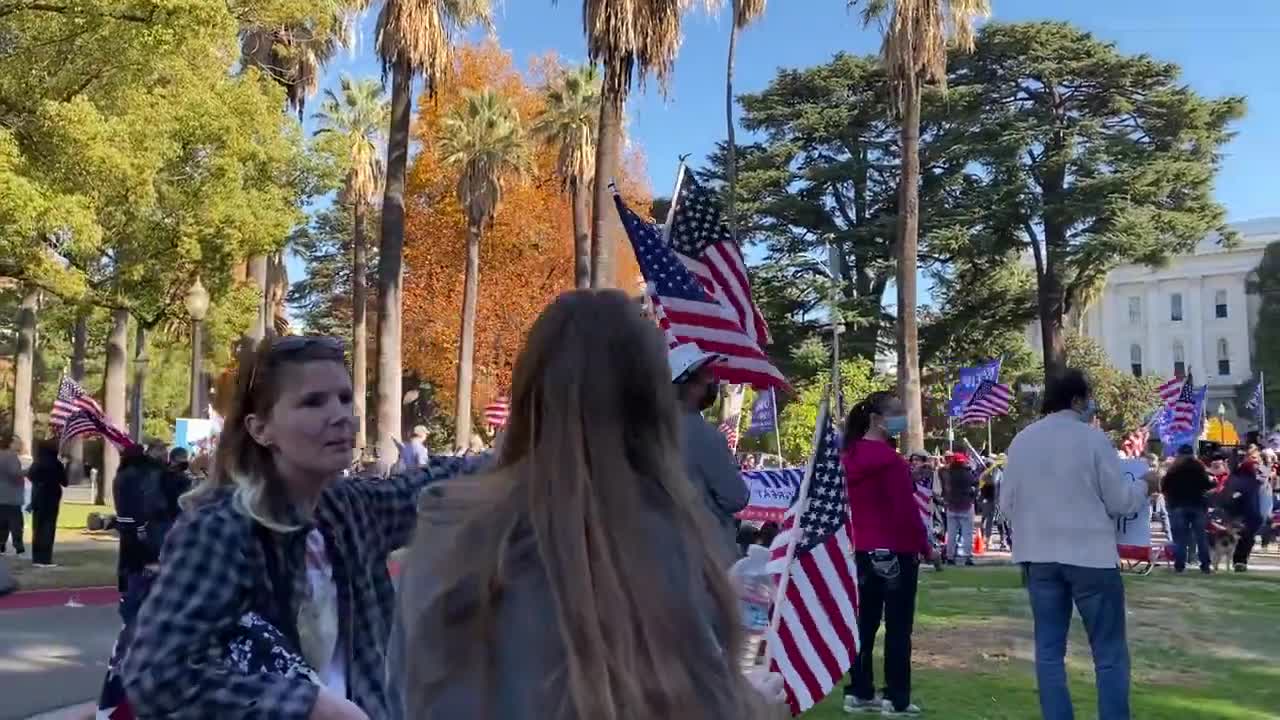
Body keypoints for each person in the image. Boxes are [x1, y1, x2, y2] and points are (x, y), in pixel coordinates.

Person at [394, 290, 780, 719]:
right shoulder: (653, 540)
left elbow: (405, 687)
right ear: (652, 405)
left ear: (529, 387)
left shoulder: (445, 525)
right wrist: (757, 705)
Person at [121, 335, 482, 719]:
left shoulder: (351, 509)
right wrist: (307, 705)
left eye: (345, 398)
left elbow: (440, 484)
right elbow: (158, 676)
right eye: (313, 402)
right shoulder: (220, 528)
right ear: (260, 430)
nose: (341, 415)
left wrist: (526, 443)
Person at [1001, 369, 1149, 720]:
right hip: (1090, 556)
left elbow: (1006, 504)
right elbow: (1119, 502)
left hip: (1038, 555)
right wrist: (1145, 486)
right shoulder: (1093, 440)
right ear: (1078, 399)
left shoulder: (1022, 440)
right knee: (1109, 654)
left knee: (1049, 652)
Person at [841, 392, 931, 716]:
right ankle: (897, 697)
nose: (902, 418)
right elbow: (905, 512)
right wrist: (926, 546)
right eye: (896, 412)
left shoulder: (850, 456)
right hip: (897, 550)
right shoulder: (890, 460)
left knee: (864, 624)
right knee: (897, 627)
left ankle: (859, 690)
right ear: (878, 419)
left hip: (865, 549)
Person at [669, 342, 750, 562]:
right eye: (706, 375)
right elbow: (735, 497)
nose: (713, 381)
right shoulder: (704, 435)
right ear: (689, 385)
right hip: (705, 557)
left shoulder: (644, 430)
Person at [1161, 444, 1215, 574]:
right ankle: (1205, 565)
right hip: (1197, 505)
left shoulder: (1173, 470)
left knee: (1180, 538)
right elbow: (1207, 485)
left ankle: (1179, 565)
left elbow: (1164, 487)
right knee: (1200, 537)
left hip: (1178, 505)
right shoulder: (1199, 468)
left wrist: (1171, 499)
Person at [27, 440, 68, 567]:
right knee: (48, 528)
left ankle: (37, 558)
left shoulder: (37, 463)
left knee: (37, 527)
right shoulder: (56, 464)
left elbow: (30, 476)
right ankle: (45, 558)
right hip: (51, 498)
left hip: (38, 497)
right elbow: (65, 482)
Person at [1220, 456, 1264, 572]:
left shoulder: (1233, 478)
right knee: (1247, 539)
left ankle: (1237, 560)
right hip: (1248, 515)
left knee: (1241, 538)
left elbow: (1227, 496)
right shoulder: (1253, 482)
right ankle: (1240, 561)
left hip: (1236, 514)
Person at [942, 453, 978, 566]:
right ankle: (968, 557)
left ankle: (950, 557)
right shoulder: (968, 474)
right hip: (966, 505)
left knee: (951, 533)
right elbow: (975, 485)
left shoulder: (947, 474)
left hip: (951, 505)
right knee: (967, 533)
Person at [0, 436, 25, 556]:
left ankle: (1, 545)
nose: (20, 445)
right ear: (10, 444)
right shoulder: (11, 456)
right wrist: (29, 471)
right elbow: (15, 473)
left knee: (2, 523)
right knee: (16, 524)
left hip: (2, 496)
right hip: (11, 496)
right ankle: (18, 547)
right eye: (18, 443)